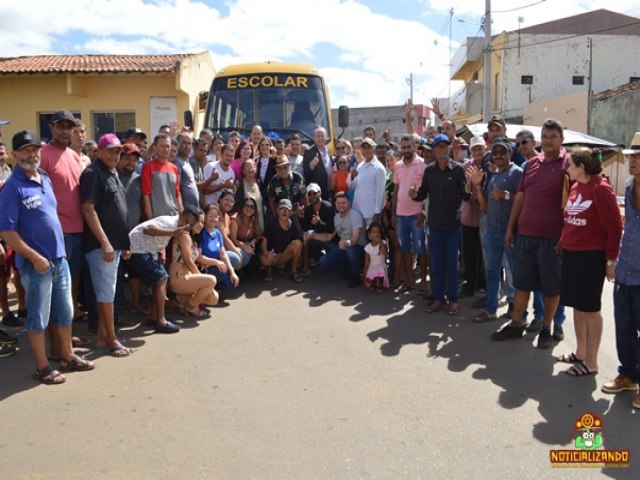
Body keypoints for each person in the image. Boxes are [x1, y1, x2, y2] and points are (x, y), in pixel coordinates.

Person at [0, 130, 95, 384]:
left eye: (35, 149)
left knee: (65, 313)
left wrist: (57, 254)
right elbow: (7, 232)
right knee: (38, 319)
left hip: (58, 259)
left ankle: (67, 356)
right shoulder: (12, 188)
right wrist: (34, 258)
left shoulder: (43, 177)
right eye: (26, 150)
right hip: (36, 266)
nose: (32, 154)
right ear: (15, 154)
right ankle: (42, 367)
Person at [492, 119, 570, 349]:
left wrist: (566, 235)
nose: (548, 141)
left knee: (551, 288)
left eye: (553, 137)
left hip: (552, 239)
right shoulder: (532, 165)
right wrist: (510, 229)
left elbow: (573, 202)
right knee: (523, 284)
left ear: (561, 140)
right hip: (525, 235)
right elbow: (520, 198)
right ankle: (517, 324)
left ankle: (547, 328)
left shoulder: (568, 164)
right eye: (545, 136)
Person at [555, 147, 623, 376]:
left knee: (591, 309)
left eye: (571, 164)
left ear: (581, 167)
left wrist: (611, 260)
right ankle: (581, 352)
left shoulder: (600, 189)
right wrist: (564, 240)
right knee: (578, 306)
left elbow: (615, 228)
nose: (567, 168)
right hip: (573, 255)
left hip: (591, 257)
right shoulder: (575, 186)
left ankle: (592, 363)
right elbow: (570, 218)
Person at [80, 133, 132, 357]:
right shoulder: (93, 173)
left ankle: (103, 334)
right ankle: (111, 339)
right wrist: (105, 242)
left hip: (115, 245)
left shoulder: (112, 173)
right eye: (110, 150)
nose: (114, 154)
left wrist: (123, 243)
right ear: (99, 152)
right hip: (102, 247)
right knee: (106, 294)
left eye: (117, 150)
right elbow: (88, 208)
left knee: (107, 293)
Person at [39, 110, 88, 340]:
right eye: (61, 126)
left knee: (72, 283)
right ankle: (58, 339)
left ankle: (67, 331)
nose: (65, 131)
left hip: (78, 229)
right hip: (58, 233)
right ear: (51, 128)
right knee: (56, 288)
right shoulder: (43, 154)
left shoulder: (74, 155)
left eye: (68, 126)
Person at [601, 133, 640, 408]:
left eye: (638, 158)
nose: (632, 162)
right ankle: (628, 375)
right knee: (624, 328)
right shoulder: (628, 187)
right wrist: (614, 262)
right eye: (631, 157)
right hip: (626, 272)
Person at [410, 134, 469, 316]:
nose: (442, 149)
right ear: (434, 150)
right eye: (438, 146)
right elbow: (422, 195)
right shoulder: (429, 171)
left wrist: (470, 189)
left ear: (450, 148)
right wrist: (414, 194)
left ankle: (452, 300)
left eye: (445, 146)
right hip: (434, 226)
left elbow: (466, 196)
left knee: (451, 265)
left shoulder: (458, 170)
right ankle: (438, 299)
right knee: (436, 265)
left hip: (452, 226)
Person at [468, 138, 523, 323]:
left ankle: (517, 310)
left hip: (510, 233)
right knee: (492, 272)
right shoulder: (493, 176)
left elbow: (524, 200)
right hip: (492, 233)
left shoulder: (517, 173)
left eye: (502, 151)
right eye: (495, 152)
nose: (498, 155)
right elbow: (484, 206)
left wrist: (505, 195)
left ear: (510, 153)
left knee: (514, 273)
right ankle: (491, 310)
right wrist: (476, 185)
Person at [128, 207, 201, 333]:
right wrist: (172, 232)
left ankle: (154, 316)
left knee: (161, 279)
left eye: (190, 225)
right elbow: (148, 229)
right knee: (162, 278)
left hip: (146, 251)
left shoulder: (176, 227)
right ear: (181, 215)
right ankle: (161, 321)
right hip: (137, 250)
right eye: (185, 221)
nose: (186, 226)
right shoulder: (169, 222)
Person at [392, 135, 427, 293]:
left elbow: (428, 192)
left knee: (421, 249)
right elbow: (396, 190)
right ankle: (410, 279)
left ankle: (423, 282)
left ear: (415, 147)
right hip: (400, 215)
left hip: (416, 215)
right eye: (403, 147)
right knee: (404, 248)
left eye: (408, 147)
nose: (405, 150)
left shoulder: (422, 165)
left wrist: (423, 213)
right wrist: (393, 213)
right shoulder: (398, 166)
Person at [169, 211, 218, 317]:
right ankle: (190, 306)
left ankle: (180, 300)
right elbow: (188, 261)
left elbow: (197, 258)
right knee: (211, 281)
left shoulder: (194, 239)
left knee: (213, 298)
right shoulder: (184, 235)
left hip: (188, 275)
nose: (200, 225)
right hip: (178, 277)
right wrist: (202, 278)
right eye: (197, 222)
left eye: (202, 222)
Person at [318, 192, 366, 288]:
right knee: (323, 261)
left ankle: (355, 277)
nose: (341, 205)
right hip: (344, 246)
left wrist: (348, 243)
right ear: (335, 204)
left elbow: (356, 238)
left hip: (358, 247)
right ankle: (346, 268)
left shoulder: (355, 216)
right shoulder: (336, 218)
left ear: (348, 203)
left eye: (343, 203)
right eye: (338, 203)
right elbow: (334, 235)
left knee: (350, 251)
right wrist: (312, 236)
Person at [460, 136, 486, 298]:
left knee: (483, 254)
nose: (477, 152)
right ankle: (469, 285)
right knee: (468, 254)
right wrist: (471, 198)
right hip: (468, 216)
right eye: (474, 149)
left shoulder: (489, 166)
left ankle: (482, 284)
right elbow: (462, 191)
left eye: (480, 149)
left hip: (485, 217)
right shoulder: (465, 167)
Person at [140, 133, 183, 219]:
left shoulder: (174, 168)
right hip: (158, 219)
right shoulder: (148, 167)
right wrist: (151, 219)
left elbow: (177, 194)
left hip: (174, 217)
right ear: (155, 148)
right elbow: (145, 195)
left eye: (168, 146)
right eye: (162, 146)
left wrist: (182, 215)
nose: (166, 149)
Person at [260, 199, 304, 283]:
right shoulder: (271, 223)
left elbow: (298, 240)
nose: (284, 212)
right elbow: (264, 240)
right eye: (282, 209)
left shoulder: (293, 225)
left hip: (285, 255)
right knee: (264, 260)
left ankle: (293, 271)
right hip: (272, 256)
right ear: (277, 211)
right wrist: (266, 252)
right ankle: (268, 270)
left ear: (291, 213)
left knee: (298, 243)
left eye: (287, 209)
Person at [199, 204, 240, 290]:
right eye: (210, 216)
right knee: (221, 271)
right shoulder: (201, 233)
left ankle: (216, 286)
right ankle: (209, 287)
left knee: (231, 285)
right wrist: (216, 262)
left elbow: (223, 254)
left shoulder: (217, 232)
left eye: (215, 216)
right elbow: (198, 257)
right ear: (205, 217)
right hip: (205, 268)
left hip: (217, 264)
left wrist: (232, 271)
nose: (213, 219)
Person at [351, 138, 386, 228]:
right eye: (364, 148)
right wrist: (352, 176)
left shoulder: (379, 168)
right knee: (360, 241)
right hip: (357, 212)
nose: (366, 150)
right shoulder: (360, 165)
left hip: (371, 214)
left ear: (373, 148)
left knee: (374, 240)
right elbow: (353, 186)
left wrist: (377, 213)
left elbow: (380, 193)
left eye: (369, 147)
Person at [301, 182, 336, 274]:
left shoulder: (328, 207)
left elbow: (331, 229)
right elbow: (306, 226)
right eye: (309, 194)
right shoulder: (308, 209)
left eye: (314, 193)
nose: (312, 196)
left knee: (328, 262)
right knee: (306, 237)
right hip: (318, 236)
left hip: (331, 239)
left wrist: (319, 223)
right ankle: (312, 259)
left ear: (320, 193)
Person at [266, 155, 305, 221]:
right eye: (279, 168)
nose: (283, 170)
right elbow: (270, 198)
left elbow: (304, 195)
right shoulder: (273, 181)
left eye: (285, 167)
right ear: (276, 169)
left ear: (289, 166)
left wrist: (304, 210)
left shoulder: (298, 178)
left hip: (296, 210)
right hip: (281, 212)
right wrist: (275, 216)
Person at [230, 197, 262, 272]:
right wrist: (245, 246)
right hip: (236, 245)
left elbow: (258, 234)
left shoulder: (254, 219)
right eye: (246, 206)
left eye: (252, 207)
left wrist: (254, 241)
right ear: (242, 206)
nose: (249, 209)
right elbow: (233, 239)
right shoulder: (235, 218)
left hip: (249, 244)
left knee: (255, 265)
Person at [303, 127, 333, 201]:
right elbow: (305, 173)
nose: (320, 138)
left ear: (326, 137)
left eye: (322, 136)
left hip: (330, 189)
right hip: (317, 192)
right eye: (318, 136)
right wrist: (312, 164)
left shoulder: (329, 151)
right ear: (314, 138)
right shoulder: (309, 152)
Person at [235, 159, 265, 232]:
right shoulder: (240, 184)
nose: (250, 169)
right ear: (243, 171)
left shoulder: (259, 182)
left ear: (255, 169)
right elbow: (238, 204)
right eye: (247, 167)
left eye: (252, 167)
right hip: (246, 224)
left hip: (260, 221)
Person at [172, 132, 200, 209]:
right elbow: (177, 188)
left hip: (193, 209)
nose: (187, 146)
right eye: (184, 143)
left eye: (189, 143)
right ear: (178, 144)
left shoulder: (187, 162)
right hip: (186, 210)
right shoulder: (177, 162)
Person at [363, 222, 389, 292]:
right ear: (369, 234)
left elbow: (385, 254)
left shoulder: (383, 243)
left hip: (381, 268)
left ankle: (379, 284)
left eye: (378, 232)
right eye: (373, 232)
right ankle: (373, 283)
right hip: (372, 268)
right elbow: (366, 263)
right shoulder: (367, 247)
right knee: (370, 282)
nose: (376, 234)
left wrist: (380, 243)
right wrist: (364, 277)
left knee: (379, 278)